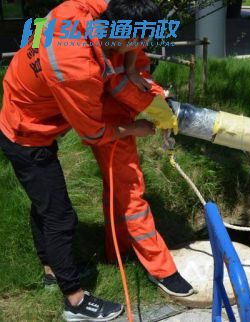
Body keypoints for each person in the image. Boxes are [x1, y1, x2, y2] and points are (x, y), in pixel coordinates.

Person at [0, 0, 187, 320]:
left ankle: (51, 270)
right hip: (27, 133)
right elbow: (95, 133)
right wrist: (135, 128)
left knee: (44, 204)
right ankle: (75, 301)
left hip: (24, 104)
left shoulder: (96, 7)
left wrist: (130, 66)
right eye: (139, 43)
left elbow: (122, 53)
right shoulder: (77, 70)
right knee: (60, 217)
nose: (143, 47)